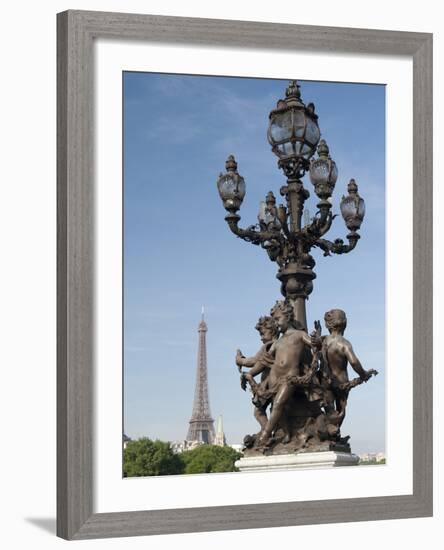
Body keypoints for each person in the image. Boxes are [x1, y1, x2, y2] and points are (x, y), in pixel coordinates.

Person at [255, 300, 313, 447]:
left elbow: (313, 344)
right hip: (276, 378)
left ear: (288, 317)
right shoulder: (278, 342)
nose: (276, 323)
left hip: (290, 378)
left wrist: (318, 340)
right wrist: (251, 373)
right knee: (278, 406)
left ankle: (265, 434)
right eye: (274, 320)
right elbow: (264, 360)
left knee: (278, 404)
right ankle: (286, 433)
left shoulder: (299, 335)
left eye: (278, 319)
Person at [318, 309, 375, 425]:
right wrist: (363, 374)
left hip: (325, 380)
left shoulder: (323, 341)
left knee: (329, 409)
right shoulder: (344, 343)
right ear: (344, 324)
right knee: (340, 411)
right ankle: (335, 433)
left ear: (328, 324)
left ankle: (329, 432)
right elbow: (354, 362)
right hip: (341, 383)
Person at [235, 316, 278, 434]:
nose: (261, 338)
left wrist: (239, 360)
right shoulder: (278, 344)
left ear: (272, 331)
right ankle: (268, 431)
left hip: (268, 384)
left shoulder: (269, 346)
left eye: (263, 334)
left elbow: (254, 362)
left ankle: (266, 432)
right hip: (274, 382)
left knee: (258, 412)